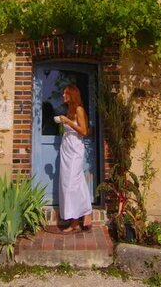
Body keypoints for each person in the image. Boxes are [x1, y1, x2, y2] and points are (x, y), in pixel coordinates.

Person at [57, 84, 93, 233]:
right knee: (72, 182)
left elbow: (84, 131)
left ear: (72, 95)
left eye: (65, 93)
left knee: (71, 184)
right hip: (66, 150)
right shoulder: (69, 110)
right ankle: (78, 218)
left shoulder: (79, 109)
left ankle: (82, 214)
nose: (63, 96)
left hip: (75, 151)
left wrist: (68, 122)